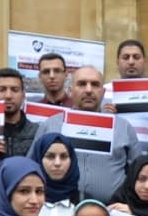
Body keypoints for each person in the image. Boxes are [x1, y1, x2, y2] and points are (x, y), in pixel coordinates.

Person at [40, 65, 141, 203]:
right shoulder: (50, 125)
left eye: (95, 85)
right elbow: (32, 167)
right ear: (70, 91)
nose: (88, 90)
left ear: (103, 92)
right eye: (82, 84)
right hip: (57, 211)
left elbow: (138, 173)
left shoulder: (123, 127)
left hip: (112, 212)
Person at [28, 132, 82, 216]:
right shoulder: (26, 199)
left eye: (63, 157)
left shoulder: (83, 200)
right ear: (39, 158)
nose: (57, 163)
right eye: (50, 156)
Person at [102, 38, 148, 121]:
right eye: (125, 57)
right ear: (117, 62)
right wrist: (105, 117)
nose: (131, 62)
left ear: (144, 61)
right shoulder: (102, 93)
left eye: (136, 57)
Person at [0, 67, 40, 159]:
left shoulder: (37, 132)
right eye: (2, 89)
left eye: (15, 90)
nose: (8, 96)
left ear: (23, 96)